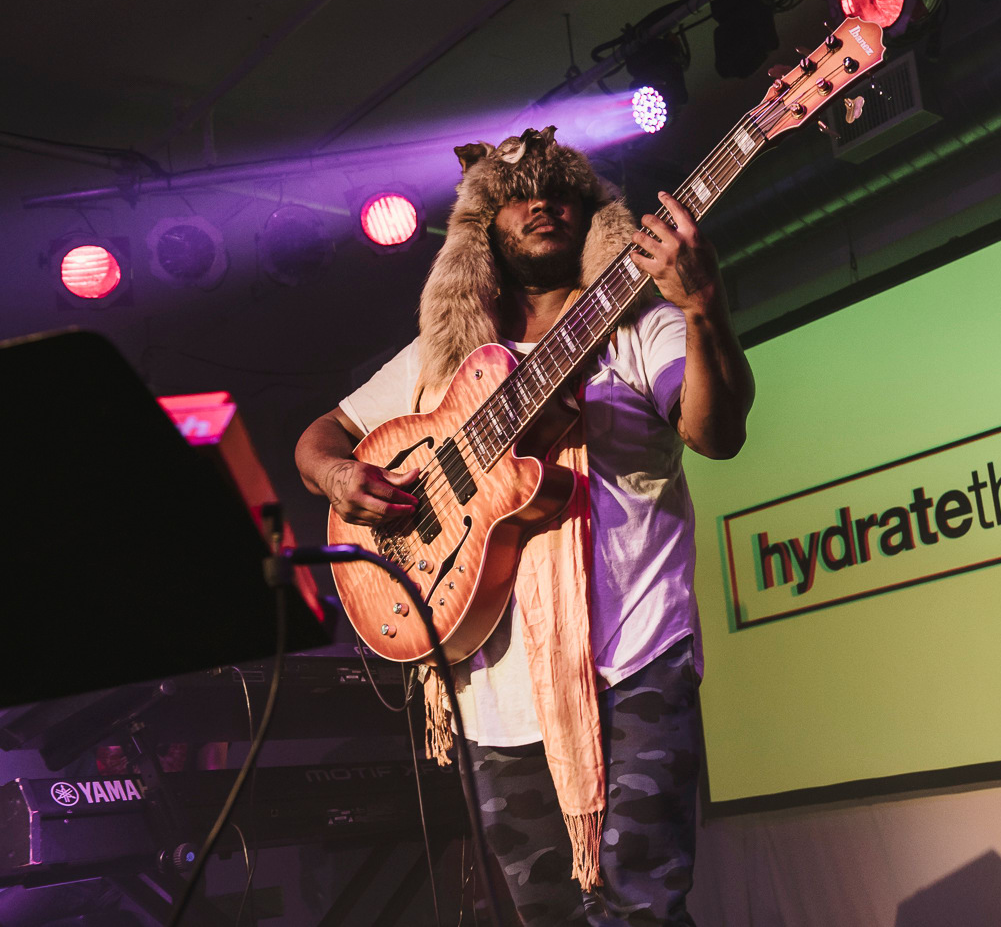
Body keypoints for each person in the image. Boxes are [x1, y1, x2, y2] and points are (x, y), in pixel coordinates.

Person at [295, 126, 754, 926]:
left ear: (591, 214)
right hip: (496, 695)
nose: (541, 204)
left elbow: (716, 434)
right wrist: (343, 477)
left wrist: (704, 309)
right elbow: (319, 439)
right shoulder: (437, 368)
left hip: (634, 665)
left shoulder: (641, 329)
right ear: (481, 231)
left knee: (642, 907)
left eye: (560, 192)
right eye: (514, 196)